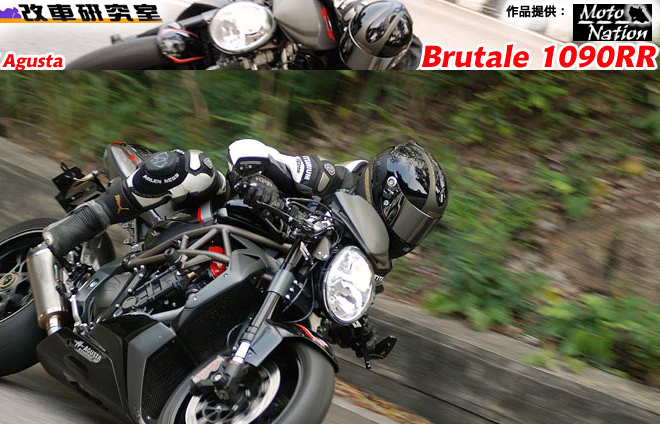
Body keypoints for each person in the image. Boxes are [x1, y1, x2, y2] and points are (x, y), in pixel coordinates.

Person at [41, 138, 448, 360]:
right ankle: (77, 227)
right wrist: (260, 178)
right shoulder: (330, 178)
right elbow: (249, 150)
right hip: (227, 223)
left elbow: (332, 296)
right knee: (194, 169)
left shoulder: (366, 261)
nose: (408, 233)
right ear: (385, 193)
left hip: (271, 278)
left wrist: (357, 332)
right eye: (409, 219)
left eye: (420, 228)